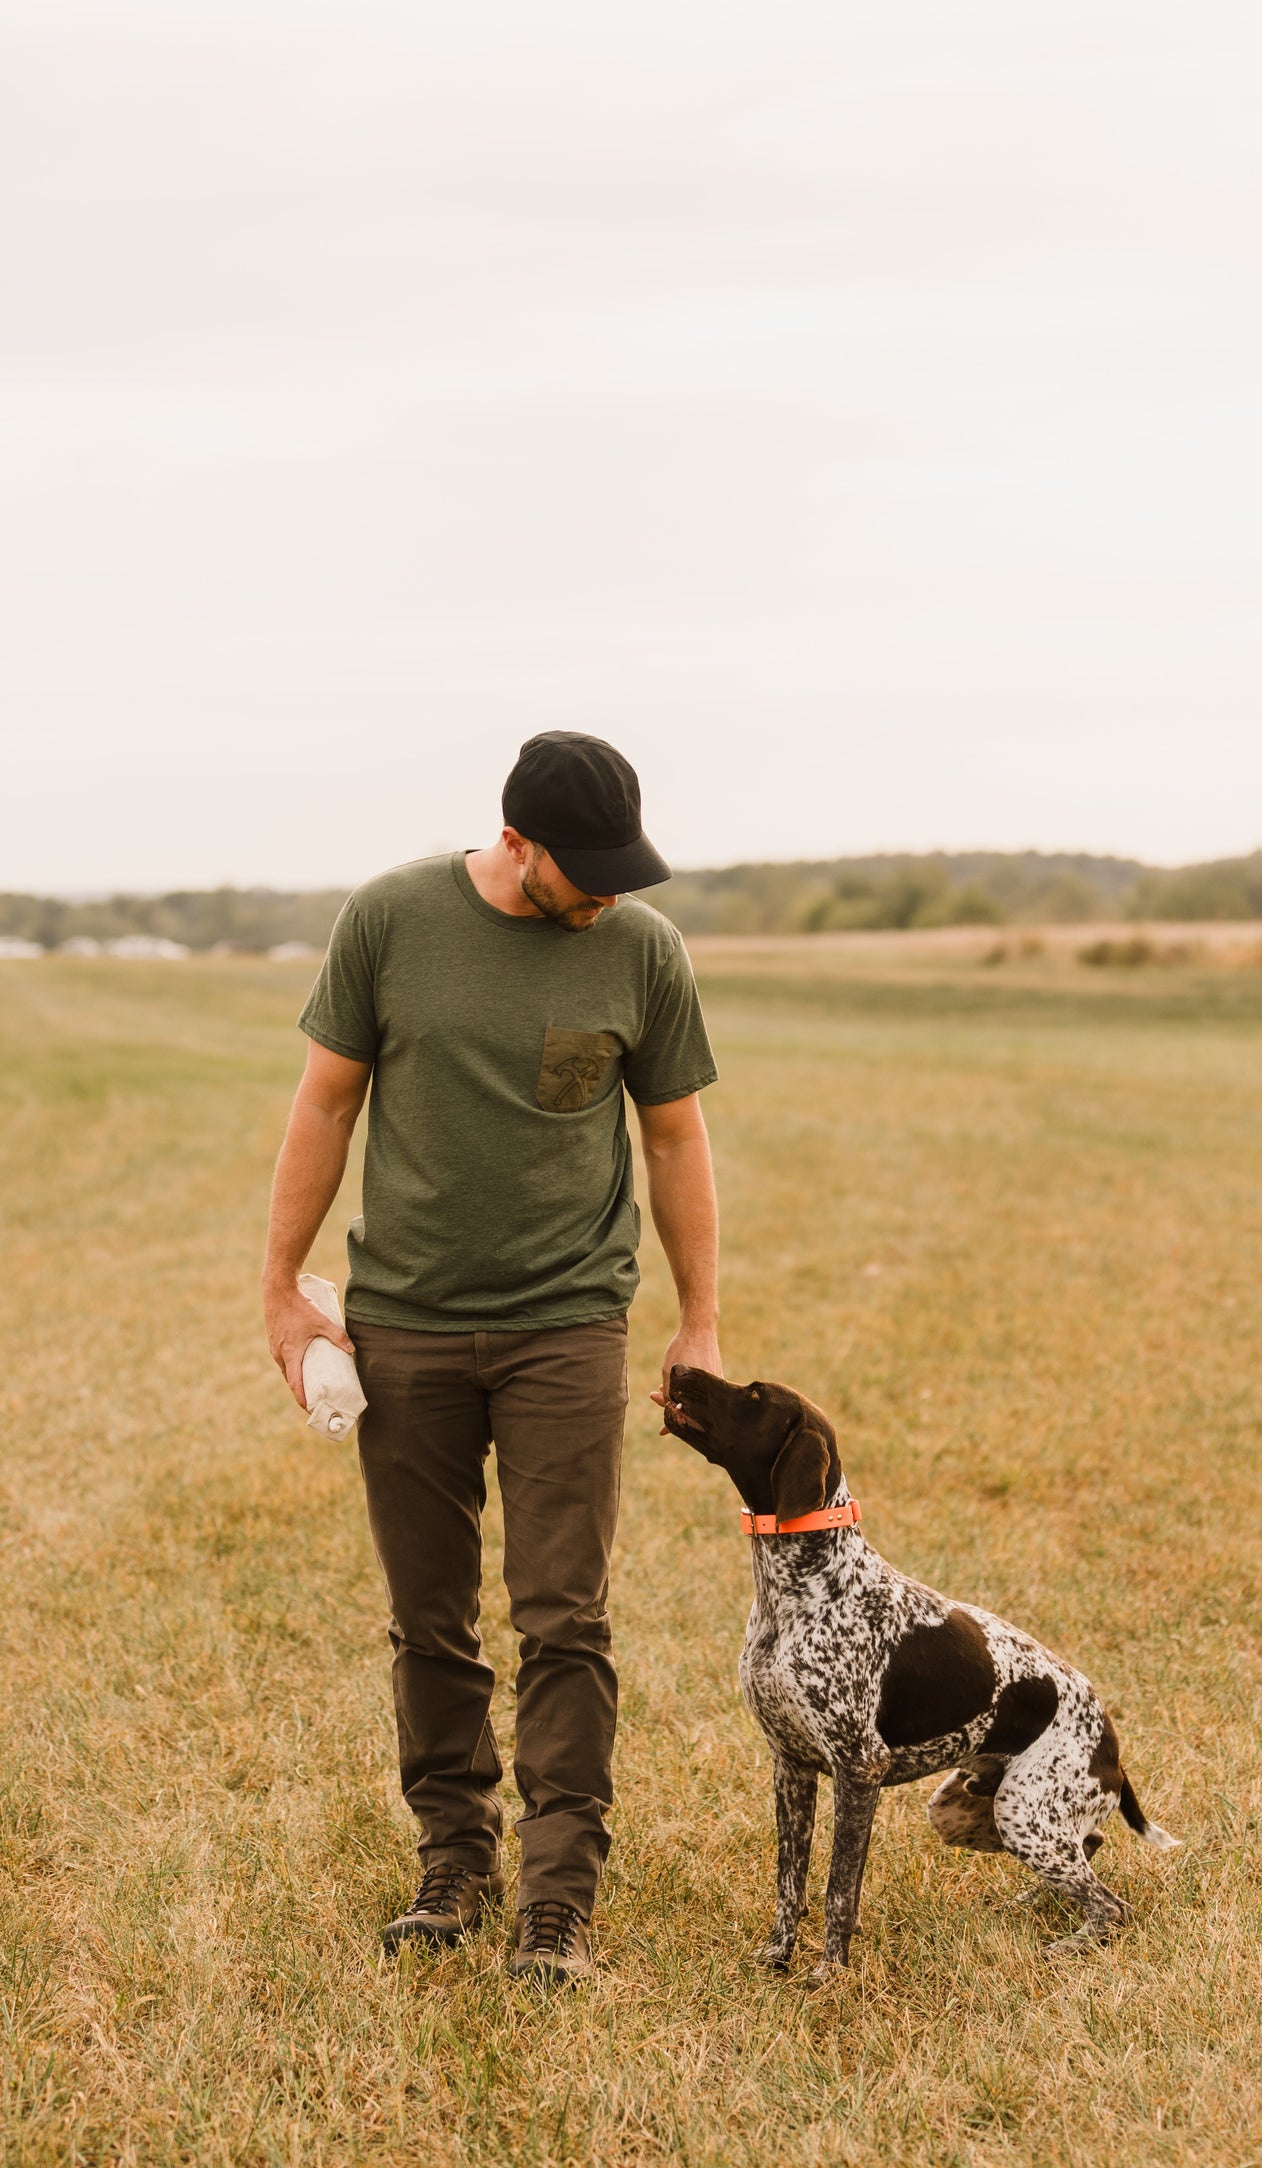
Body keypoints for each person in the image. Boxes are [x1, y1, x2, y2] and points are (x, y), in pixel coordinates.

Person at [262, 732, 720, 1984]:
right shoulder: (390, 919)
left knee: (565, 1614)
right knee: (428, 1616)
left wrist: (697, 1321)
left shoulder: (642, 951)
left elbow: (673, 1139)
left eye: (625, 870)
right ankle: (453, 1862)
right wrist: (280, 1287)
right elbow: (325, 1102)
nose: (609, 895)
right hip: (404, 1322)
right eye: (588, 871)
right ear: (516, 842)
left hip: (567, 1324)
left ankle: (555, 1899)